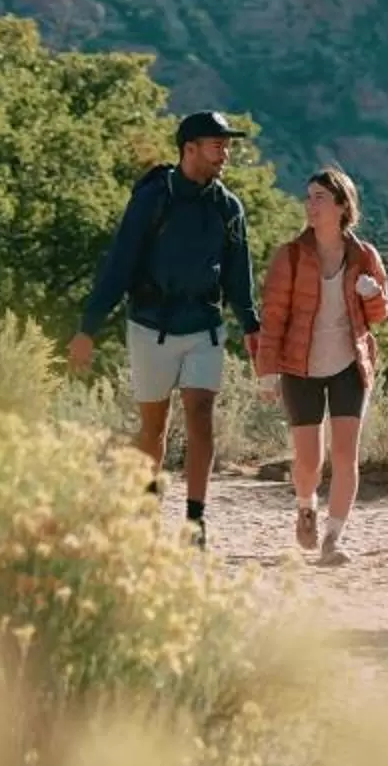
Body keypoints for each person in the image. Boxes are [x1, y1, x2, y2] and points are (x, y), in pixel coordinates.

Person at [70, 110, 260, 548]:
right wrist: (88, 328)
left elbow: (238, 275)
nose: (225, 153)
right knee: (153, 428)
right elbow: (119, 264)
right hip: (150, 327)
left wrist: (252, 325)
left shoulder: (228, 208)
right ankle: (146, 510)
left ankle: (195, 522)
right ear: (189, 148)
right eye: (217, 144)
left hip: (204, 328)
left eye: (227, 145)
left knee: (200, 417)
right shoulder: (153, 198)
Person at [252, 166, 388, 565]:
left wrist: (372, 294)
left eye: (320, 198)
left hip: (350, 365)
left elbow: (380, 314)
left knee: (346, 456)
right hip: (300, 367)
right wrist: (266, 371)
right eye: (308, 197)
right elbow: (274, 316)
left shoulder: (364, 255)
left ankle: (333, 538)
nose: (310, 205)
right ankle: (305, 508)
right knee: (309, 460)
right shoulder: (291, 256)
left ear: (342, 206)